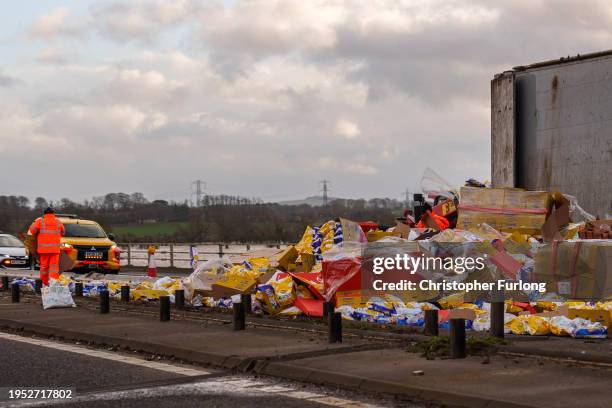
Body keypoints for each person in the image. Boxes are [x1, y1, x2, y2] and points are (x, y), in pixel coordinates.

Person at [28, 207, 65, 286]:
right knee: (54, 268)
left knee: (44, 267)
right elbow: (63, 232)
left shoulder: (40, 221)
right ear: (53, 213)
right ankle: (53, 283)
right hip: (55, 250)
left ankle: (45, 283)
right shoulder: (58, 222)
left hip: (43, 250)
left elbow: (31, 231)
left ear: (44, 214)